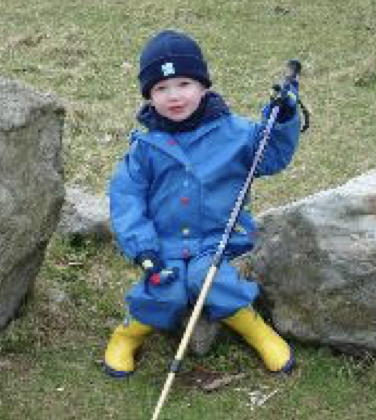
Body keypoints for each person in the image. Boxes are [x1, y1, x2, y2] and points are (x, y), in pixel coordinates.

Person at [104, 29, 300, 378]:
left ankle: (255, 330)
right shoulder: (145, 148)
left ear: (203, 86)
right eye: (161, 88)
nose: (174, 96)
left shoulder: (236, 133)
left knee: (208, 278)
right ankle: (128, 335)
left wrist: (283, 117)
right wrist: (143, 248)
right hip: (163, 244)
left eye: (184, 84)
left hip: (215, 241)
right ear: (149, 96)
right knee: (164, 289)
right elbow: (126, 198)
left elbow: (272, 155)